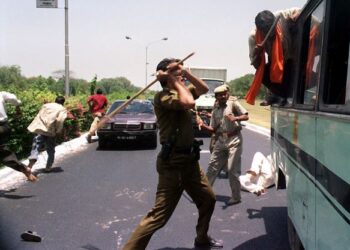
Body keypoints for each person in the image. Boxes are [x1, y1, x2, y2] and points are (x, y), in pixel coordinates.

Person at [122, 58, 223, 249]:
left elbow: (202, 89)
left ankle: (201, 239)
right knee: (158, 217)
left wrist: (185, 73)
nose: (180, 74)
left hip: (189, 162)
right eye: (175, 71)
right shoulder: (164, 97)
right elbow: (188, 102)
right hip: (173, 164)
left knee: (208, 199)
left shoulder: (180, 89)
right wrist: (174, 78)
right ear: (166, 77)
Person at [197, 85, 249, 206]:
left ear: (228, 94)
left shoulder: (233, 103)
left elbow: (246, 116)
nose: (223, 96)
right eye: (220, 95)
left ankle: (236, 197)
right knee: (212, 167)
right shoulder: (215, 110)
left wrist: (235, 118)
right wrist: (202, 125)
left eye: (225, 94)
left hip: (234, 140)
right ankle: (205, 195)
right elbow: (213, 129)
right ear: (216, 97)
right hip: (221, 140)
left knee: (231, 170)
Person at [246, 8, 300, 106]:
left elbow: (300, 10)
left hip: (293, 59)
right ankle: (279, 95)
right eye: (265, 31)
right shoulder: (253, 37)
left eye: (271, 28)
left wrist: (297, 13)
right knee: (263, 74)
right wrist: (257, 52)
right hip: (276, 64)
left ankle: (281, 95)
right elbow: (257, 66)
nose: (270, 33)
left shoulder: (281, 16)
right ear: (259, 29)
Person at [0, 91, 37, 182]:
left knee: (3, 153)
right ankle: (23, 168)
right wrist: (17, 105)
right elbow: (13, 99)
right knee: (2, 151)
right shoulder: (1, 94)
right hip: (4, 126)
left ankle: (22, 168)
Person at [27, 96, 67, 172]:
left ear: (55, 100)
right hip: (50, 131)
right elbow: (60, 121)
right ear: (63, 102)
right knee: (51, 149)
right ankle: (48, 167)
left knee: (36, 146)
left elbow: (39, 116)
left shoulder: (46, 105)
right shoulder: (62, 109)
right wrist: (58, 131)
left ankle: (30, 165)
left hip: (40, 129)